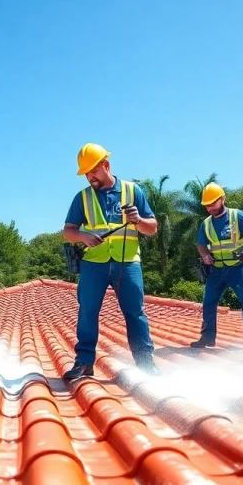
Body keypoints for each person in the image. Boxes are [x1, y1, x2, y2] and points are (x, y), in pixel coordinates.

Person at [61, 143, 160, 380]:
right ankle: (84, 362)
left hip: (128, 262)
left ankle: (145, 363)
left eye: (94, 171)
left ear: (106, 165)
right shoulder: (82, 197)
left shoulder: (132, 191)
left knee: (135, 312)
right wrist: (83, 236)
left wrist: (138, 221)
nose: (90, 177)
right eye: (86, 173)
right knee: (88, 312)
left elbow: (152, 228)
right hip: (93, 263)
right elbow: (68, 231)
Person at [190, 182, 243, 351]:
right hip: (217, 269)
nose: (210, 208)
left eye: (213, 203)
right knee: (208, 302)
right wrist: (205, 255)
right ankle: (207, 337)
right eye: (207, 205)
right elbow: (201, 245)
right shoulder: (206, 224)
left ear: (222, 199)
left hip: (239, 268)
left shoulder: (237, 216)